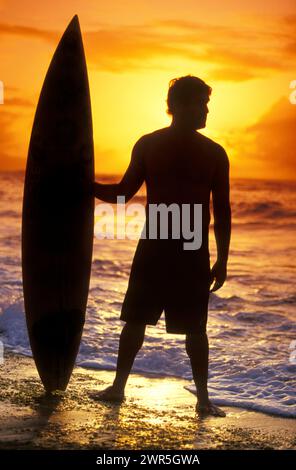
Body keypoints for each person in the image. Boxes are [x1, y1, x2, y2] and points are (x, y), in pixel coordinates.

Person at [92, 75, 231, 417]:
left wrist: (223, 259)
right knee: (136, 320)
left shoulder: (213, 153)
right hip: (165, 248)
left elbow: (222, 210)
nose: (207, 111)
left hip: (185, 251)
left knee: (196, 329)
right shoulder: (150, 145)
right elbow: (125, 193)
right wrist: (85, 185)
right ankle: (118, 387)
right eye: (202, 103)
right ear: (181, 105)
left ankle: (202, 398)